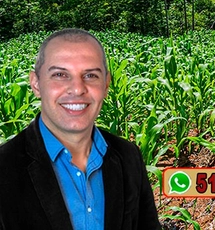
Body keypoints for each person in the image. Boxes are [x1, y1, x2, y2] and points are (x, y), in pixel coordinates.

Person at [0, 28, 161, 230]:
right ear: (36, 83)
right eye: (60, 74)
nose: (77, 89)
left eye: (91, 75)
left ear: (106, 84)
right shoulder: (4, 168)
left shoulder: (129, 157)